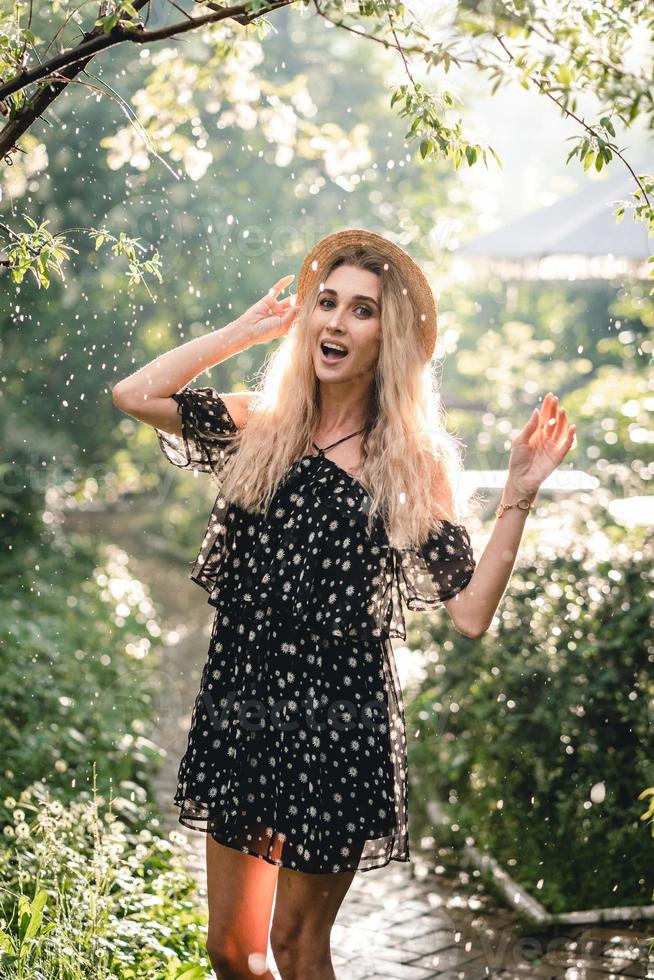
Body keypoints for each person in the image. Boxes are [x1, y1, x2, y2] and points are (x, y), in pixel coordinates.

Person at [112, 228, 576, 980]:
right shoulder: (261, 426)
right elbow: (135, 395)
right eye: (326, 303)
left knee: (297, 949)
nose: (336, 321)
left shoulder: (408, 460)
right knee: (231, 953)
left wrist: (519, 495)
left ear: (386, 336)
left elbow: (469, 611)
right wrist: (245, 330)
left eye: (361, 310)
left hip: (338, 721)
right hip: (244, 706)